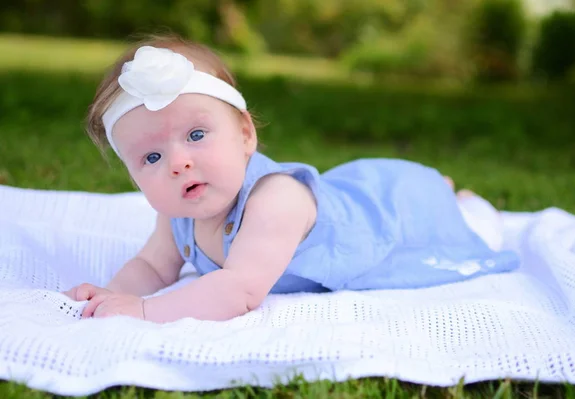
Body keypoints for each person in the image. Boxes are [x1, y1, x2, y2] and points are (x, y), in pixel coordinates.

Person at [64, 34, 519, 323]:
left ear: (245, 134)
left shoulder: (275, 200)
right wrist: (115, 295)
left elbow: (239, 290)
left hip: (385, 213)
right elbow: (153, 266)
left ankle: (454, 197)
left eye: (197, 134)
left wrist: (145, 311)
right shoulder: (178, 209)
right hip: (346, 196)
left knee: (449, 220)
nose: (178, 163)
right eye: (151, 156)